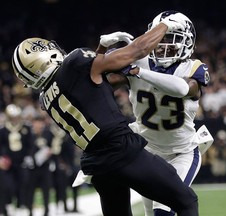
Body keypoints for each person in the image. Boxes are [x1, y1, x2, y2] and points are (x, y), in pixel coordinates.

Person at [12, 14, 199, 216]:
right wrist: (166, 24)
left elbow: (92, 85)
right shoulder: (74, 63)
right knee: (186, 201)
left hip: (97, 165)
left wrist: (100, 49)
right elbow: (138, 50)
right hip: (122, 151)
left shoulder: (45, 100)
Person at [105, 10, 213, 216]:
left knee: (163, 211)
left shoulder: (193, 68)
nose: (164, 46)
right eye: (160, 39)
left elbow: (182, 88)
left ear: (187, 43)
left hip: (181, 153)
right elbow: (102, 83)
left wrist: (139, 72)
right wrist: (112, 53)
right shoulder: (139, 62)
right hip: (147, 152)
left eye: (172, 39)